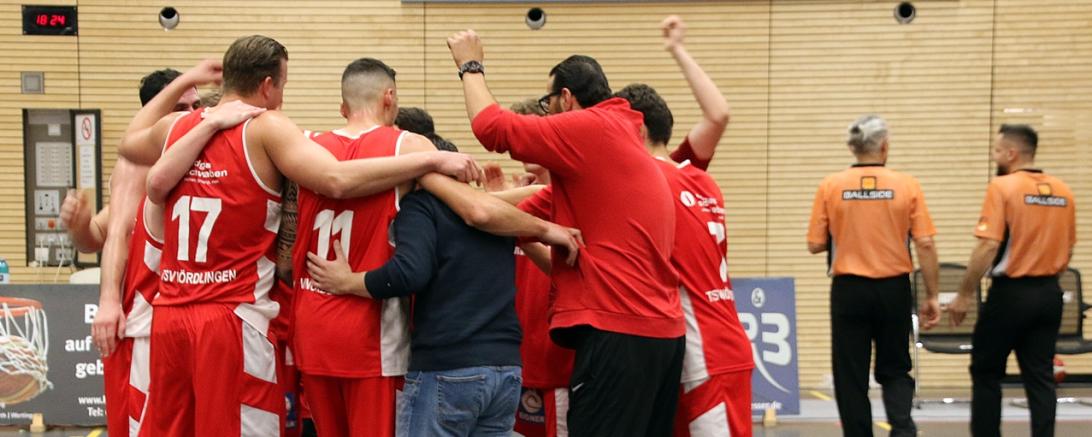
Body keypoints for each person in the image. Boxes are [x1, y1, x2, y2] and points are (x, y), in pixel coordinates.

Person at [116, 35, 485, 436]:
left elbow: (128, 144)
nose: (282, 99)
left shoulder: (176, 127)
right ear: (267, 86)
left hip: (169, 314)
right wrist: (432, 155)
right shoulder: (266, 127)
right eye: (284, 87)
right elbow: (335, 179)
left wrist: (186, 80)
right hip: (232, 317)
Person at [447, 31, 685, 436]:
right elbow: (509, 216)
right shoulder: (608, 148)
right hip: (658, 334)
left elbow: (490, 127)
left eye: (548, 104)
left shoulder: (590, 128)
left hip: (619, 333)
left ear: (568, 99)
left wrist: (470, 66)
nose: (546, 115)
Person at [305, 135, 581, 436]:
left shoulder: (422, 206)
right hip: (506, 369)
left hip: (449, 366)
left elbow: (409, 272)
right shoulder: (498, 214)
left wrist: (349, 281)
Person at [613, 15, 754, 437]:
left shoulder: (645, 185)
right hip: (707, 346)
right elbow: (720, 113)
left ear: (632, 130)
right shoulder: (693, 174)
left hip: (705, 355)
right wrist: (677, 49)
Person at [58, 65, 207, 437]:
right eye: (181, 107)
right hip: (145, 313)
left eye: (196, 105)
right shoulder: (139, 162)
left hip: (192, 310)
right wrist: (108, 298)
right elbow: (107, 235)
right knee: (142, 422)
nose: (191, 115)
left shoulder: (203, 154)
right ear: (157, 114)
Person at [806, 115, 939, 437]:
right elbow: (925, 242)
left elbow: (815, 243)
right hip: (893, 288)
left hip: (849, 290)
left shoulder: (831, 185)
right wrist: (932, 295)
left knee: (850, 373)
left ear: (853, 148)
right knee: (895, 366)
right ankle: (903, 429)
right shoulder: (907, 185)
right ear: (884, 145)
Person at [949, 124, 1076, 437]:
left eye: (996, 150)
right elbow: (1069, 245)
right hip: (1049, 294)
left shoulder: (1003, 187)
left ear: (1011, 153)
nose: (995, 156)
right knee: (1041, 376)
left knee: (986, 371)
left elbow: (988, 245)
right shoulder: (1063, 191)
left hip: (1010, 295)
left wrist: (964, 293)